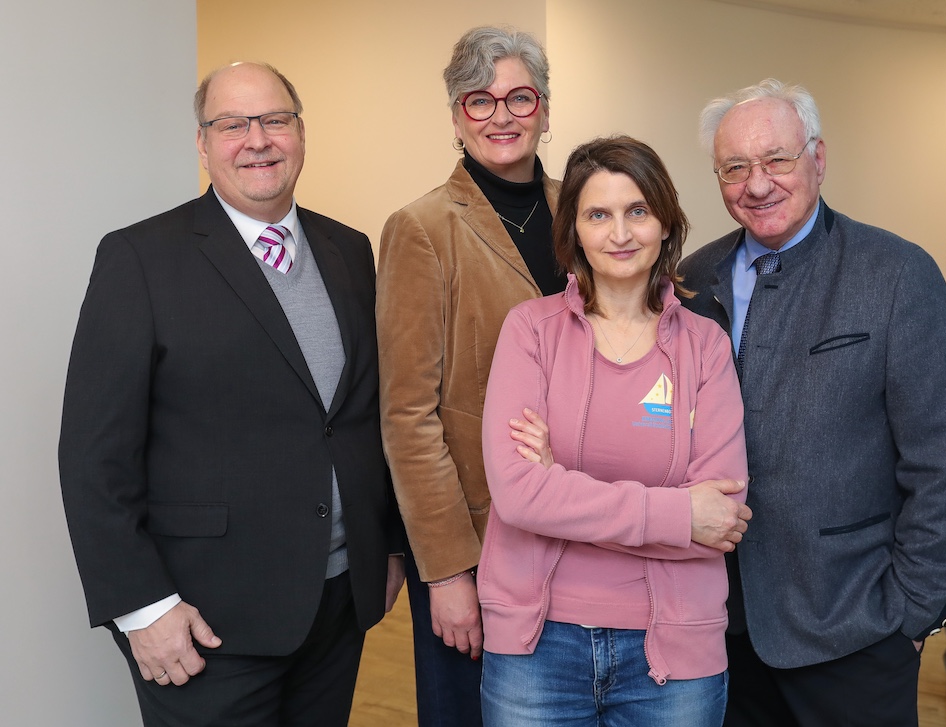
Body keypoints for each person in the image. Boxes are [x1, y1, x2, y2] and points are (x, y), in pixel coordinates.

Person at [58, 61, 404, 727]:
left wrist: (382, 545)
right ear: (202, 142)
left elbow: (365, 416)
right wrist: (144, 608)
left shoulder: (349, 250)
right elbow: (93, 455)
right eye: (232, 124)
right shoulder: (141, 259)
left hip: (336, 608)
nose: (258, 139)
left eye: (275, 119)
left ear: (300, 132)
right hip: (206, 621)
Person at [677, 78, 946, 726]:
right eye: (735, 168)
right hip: (722, 631)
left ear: (818, 157)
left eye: (776, 160)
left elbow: (943, 465)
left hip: (855, 632)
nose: (757, 185)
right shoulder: (691, 280)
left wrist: (909, 613)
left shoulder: (897, 274)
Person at [477, 135, 750, 726]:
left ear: (665, 222)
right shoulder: (530, 331)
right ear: (573, 230)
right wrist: (678, 514)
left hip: (676, 649)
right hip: (537, 641)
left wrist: (563, 490)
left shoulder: (706, 347)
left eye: (638, 212)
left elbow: (722, 514)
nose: (620, 234)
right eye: (598, 214)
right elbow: (520, 494)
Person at [376, 26, 564, 726]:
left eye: (520, 97)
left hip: (583, 531)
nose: (502, 116)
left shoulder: (586, 210)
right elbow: (409, 416)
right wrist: (448, 571)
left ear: (545, 108)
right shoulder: (422, 228)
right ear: (456, 116)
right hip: (482, 542)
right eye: (479, 101)